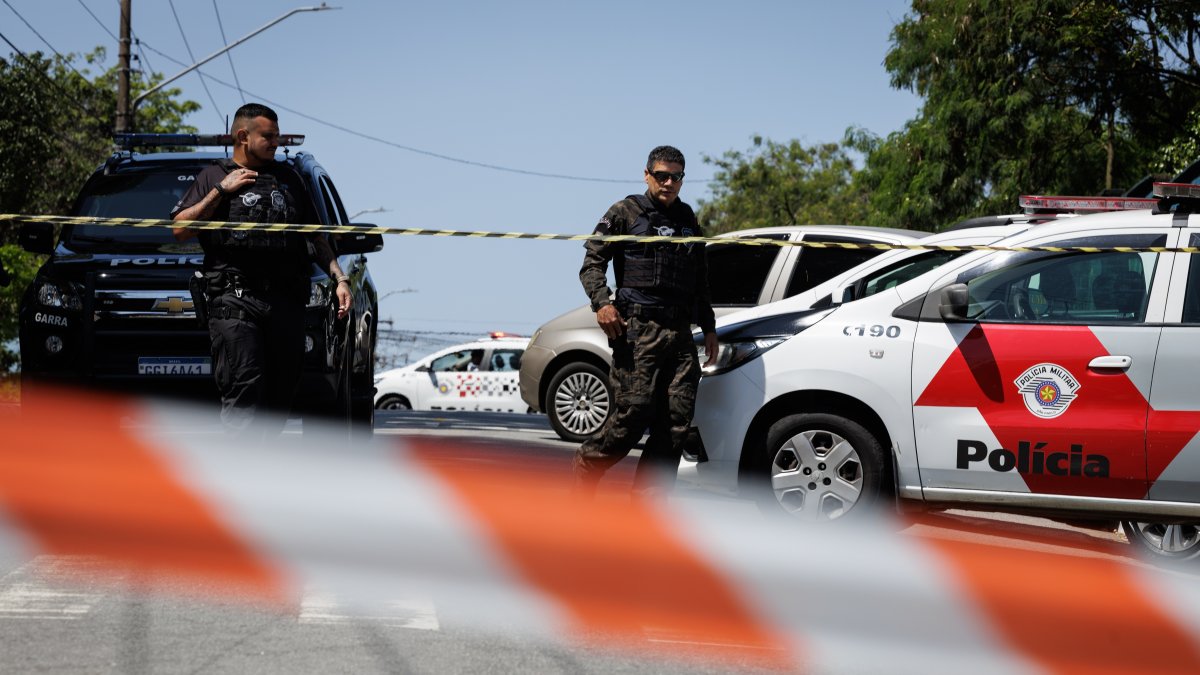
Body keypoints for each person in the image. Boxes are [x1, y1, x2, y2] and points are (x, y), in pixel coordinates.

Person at [170, 103, 351, 437]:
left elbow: (316, 236)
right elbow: (180, 229)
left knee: (279, 398)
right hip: (235, 299)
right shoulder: (214, 175)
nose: (275, 143)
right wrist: (221, 190)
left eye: (277, 137)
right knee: (245, 390)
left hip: (284, 301)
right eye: (268, 136)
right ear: (243, 136)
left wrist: (339, 278)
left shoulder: (290, 178)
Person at [573, 145, 718, 497]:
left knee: (676, 423)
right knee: (633, 415)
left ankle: (647, 504)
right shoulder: (625, 212)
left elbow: (700, 278)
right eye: (662, 175)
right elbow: (593, 261)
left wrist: (709, 327)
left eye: (676, 176)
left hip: (680, 334)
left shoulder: (688, 219)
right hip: (638, 331)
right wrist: (602, 304)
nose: (669, 182)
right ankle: (586, 468)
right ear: (647, 175)